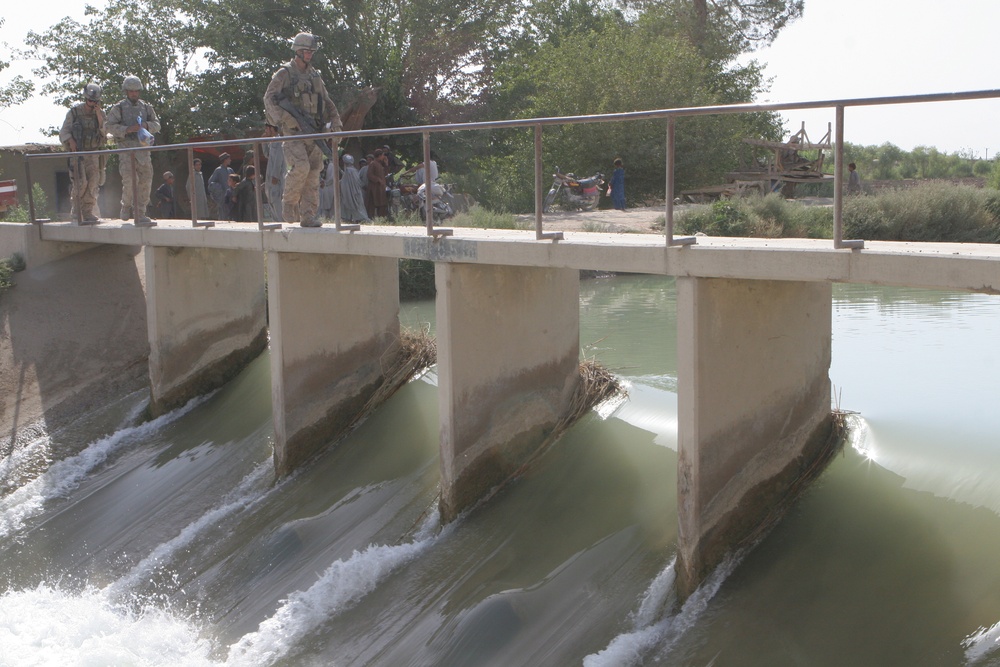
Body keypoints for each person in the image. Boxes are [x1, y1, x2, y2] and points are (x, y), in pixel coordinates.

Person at [264, 31, 343, 227]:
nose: (309, 55)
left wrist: (336, 124)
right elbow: (269, 99)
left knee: (314, 173)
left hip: (314, 131)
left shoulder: (315, 75)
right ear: (298, 51)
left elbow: (327, 101)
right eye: (306, 51)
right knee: (301, 167)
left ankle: (308, 216)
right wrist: (286, 120)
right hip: (294, 134)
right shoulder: (284, 73)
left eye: (311, 52)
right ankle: (289, 203)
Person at [105, 75, 160, 223]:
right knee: (130, 181)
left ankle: (140, 212)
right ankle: (126, 206)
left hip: (143, 150)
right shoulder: (119, 108)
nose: (134, 94)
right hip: (126, 150)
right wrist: (127, 129)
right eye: (131, 91)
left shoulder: (146, 107)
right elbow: (108, 126)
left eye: (136, 91)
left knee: (146, 181)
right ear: (126, 92)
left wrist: (146, 126)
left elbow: (157, 124)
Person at [59, 82, 106, 224]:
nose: (92, 103)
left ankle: (88, 212)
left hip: (93, 154)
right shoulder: (74, 112)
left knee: (93, 183)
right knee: (81, 183)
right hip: (78, 154)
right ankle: (77, 210)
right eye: (90, 101)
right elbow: (64, 132)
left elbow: (105, 132)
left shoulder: (101, 114)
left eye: (95, 101)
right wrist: (70, 140)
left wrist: (98, 114)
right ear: (86, 99)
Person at [261, 124, 286, 221]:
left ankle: (281, 222)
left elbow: (279, 158)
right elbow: (267, 154)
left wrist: (275, 175)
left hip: (276, 177)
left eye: (266, 128)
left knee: (276, 200)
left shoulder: (278, 141)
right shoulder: (272, 141)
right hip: (271, 175)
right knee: (272, 199)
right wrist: (263, 141)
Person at [339, 153, 368, 223]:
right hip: (355, 191)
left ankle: (359, 218)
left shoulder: (349, 171)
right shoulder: (354, 170)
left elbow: (345, 183)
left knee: (354, 205)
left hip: (351, 192)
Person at [208, 152, 234, 218]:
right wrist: (219, 190)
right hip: (222, 197)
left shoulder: (230, 170)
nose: (230, 160)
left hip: (231, 196)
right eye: (229, 159)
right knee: (223, 214)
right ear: (225, 160)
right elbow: (211, 183)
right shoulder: (218, 170)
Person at [365, 148, 388, 219]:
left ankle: (381, 219)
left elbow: (385, 174)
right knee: (372, 204)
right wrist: (378, 179)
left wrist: (386, 164)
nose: (383, 157)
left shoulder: (380, 164)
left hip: (380, 188)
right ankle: (370, 218)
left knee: (382, 204)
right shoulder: (373, 164)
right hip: (374, 188)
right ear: (379, 155)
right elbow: (369, 175)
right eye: (382, 155)